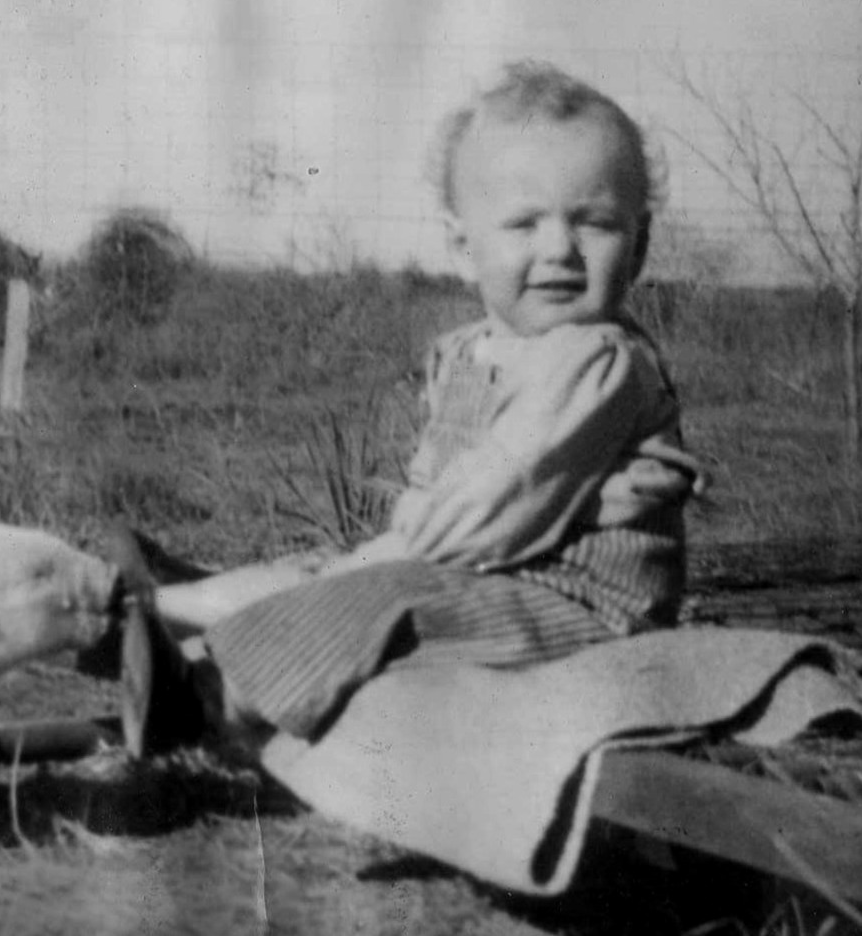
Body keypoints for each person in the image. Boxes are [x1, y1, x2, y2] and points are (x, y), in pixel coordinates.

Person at [108, 60, 710, 758]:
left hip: (581, 613)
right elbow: (434, 492)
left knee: (373, 604)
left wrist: (364, 568)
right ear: (462, 245)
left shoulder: (596, 364)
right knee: (330, 575)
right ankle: (150, 605)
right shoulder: (468, 354)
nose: (558, 250)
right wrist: (350, 564)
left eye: (595, 223)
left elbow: (485, 515)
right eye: (522, 223)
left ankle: (210, 693)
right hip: (488, 578)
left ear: (637, 246)